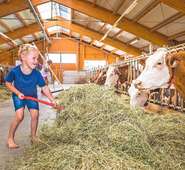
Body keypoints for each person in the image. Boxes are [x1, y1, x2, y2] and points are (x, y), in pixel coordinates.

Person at [5, 44, 56, 149]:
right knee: (19, 116)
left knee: (35, 115)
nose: (36, 61)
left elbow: (44, 87)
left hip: (32, 96)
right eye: (34, 58)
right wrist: (17, 93)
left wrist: (52, 99)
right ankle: (10, 138)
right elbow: (8, 83)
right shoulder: (15, 71)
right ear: (23, 57)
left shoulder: (37, 74)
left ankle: (33, 137)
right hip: (19, 96)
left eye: (37, 58)